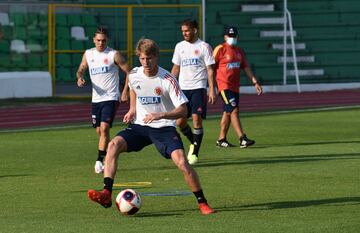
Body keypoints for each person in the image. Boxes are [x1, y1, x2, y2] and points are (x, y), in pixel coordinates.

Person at [87, 38, 214, 215]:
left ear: (156, 57)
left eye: (149, 58)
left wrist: (161, 114)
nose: (146, 63)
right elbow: (133, 88)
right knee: (113, 145)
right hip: (140, 126)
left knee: (183, 163)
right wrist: (132, 110)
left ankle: (202, 203)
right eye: (142, 59)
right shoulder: (133, 74)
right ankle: (107, 192)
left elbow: (183, 111)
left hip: (163, 127)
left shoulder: (167, 79)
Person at [76, 27, 131, 174]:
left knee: (105, 128)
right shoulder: (88, 54)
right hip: (96, 99)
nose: (101, 43)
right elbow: (81, 68)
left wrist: (125, 91)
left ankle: (99, 160)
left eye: (103, 40)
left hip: (111, 97)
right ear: (94, 40)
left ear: (107, 40)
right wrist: (80, 77)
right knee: (100, 131)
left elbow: (129, 72)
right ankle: (109, 153)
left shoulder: (114, 54)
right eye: (98, 40)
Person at [171, 19, 216, 165]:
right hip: (183, 89)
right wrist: (170, 85)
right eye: (182, 31)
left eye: (187, 30)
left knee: (197, 118)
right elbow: (176, 68)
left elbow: (210, 69)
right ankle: (193, 142)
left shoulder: (204, 47)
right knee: (180, 122)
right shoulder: (179, 46)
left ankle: (195, 153)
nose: (184, 33)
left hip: (198, 88)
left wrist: (211, 89)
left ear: (195, 30)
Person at [213, 26, 263, 148]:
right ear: (225, 37)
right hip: (224, 86)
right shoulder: (220, 49)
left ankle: (221, 139)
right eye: (230, 36)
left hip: (235, 87)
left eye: (234, 36)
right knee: (234, 110)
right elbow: (210, 67)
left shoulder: (239, 51)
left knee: (228, 112)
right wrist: (211, 87)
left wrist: (255, 82)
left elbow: (246, 67)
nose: (232, 38)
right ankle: (242, 138)